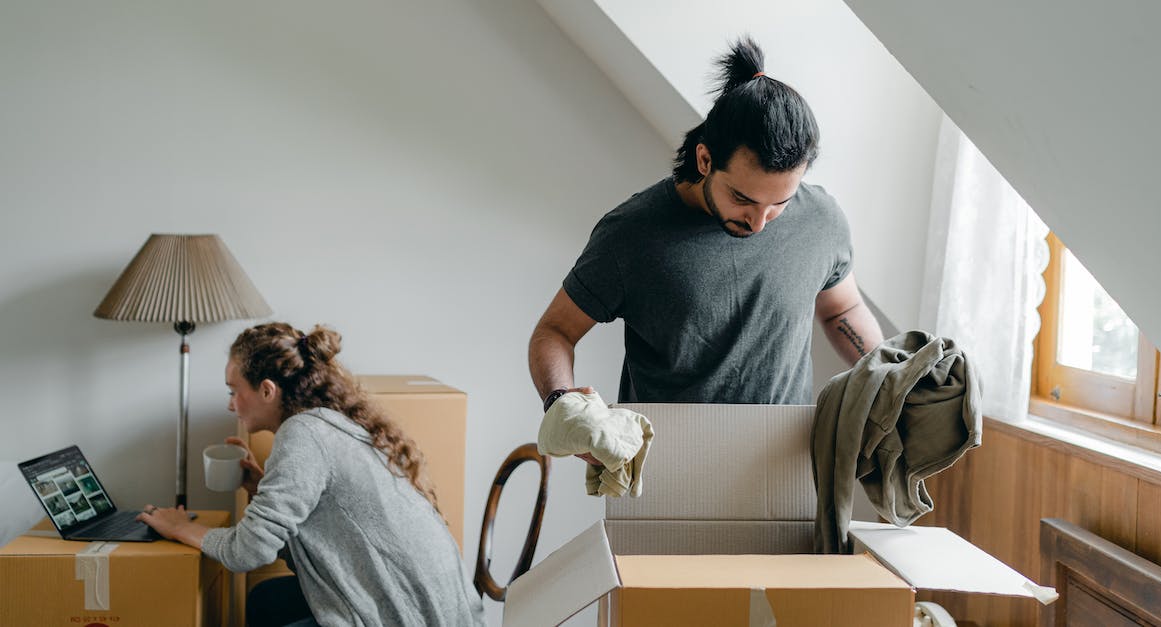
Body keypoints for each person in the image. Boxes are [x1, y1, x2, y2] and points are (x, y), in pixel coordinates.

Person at [529, 37, 884, 433]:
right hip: (665, 457)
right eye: (742, 198)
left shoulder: (820, 221)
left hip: (784, 453)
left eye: (780, 203)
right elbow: (555, 332)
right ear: (704, 159)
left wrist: (891, 378)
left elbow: (841, 310)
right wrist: (563, 405)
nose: (759, 222)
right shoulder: (630, 235)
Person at [138, 322, 484, 627]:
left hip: (411, 616)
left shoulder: (303, 435)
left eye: (234, 391)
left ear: (267, 390)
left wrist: (181, 528)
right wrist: (262, 488)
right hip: (435, 609)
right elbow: (317, 548)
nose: (230, 404)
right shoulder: (326, 423)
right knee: (266, 600)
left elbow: (247, 553)